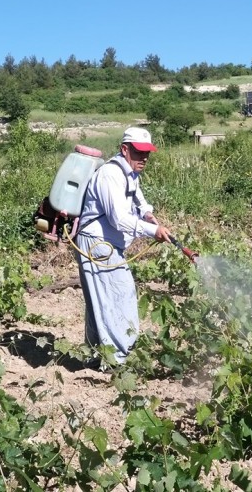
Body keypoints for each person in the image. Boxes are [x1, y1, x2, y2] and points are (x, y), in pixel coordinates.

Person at [73, 127, 172, 366]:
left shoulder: (129, 173)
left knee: (102, 299)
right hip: (97, 244)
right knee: (118, 296)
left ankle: (96, 356)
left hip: (107, 244)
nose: (144, 158)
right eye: (139, 153)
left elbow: (137, 197)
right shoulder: (110, 174)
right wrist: (152, 231)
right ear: (124, 149)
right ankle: (118, 361)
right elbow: (118, 218)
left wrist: (148, 214)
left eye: (147, 153)